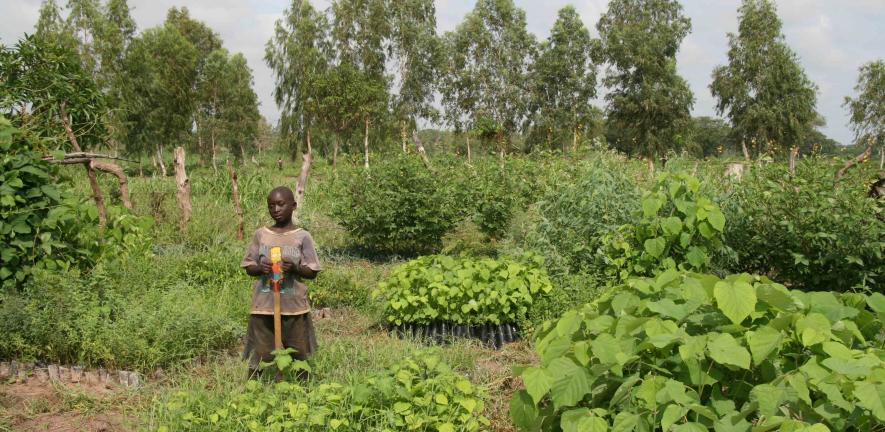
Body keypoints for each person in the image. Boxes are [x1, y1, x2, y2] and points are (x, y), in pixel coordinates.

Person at [241, 186, 321, 379]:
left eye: (280, 204)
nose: (275, 209)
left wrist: (295, 268)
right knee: (259, 353)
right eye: (271, 205)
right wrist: (261, 268)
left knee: (299, 353)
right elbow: (248, 266)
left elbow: (312, 271)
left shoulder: (302, 236)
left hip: (294, 307)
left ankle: (303, 389)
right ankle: (254, 389)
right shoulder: (262, 234)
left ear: (293, 205)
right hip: (264, 306)